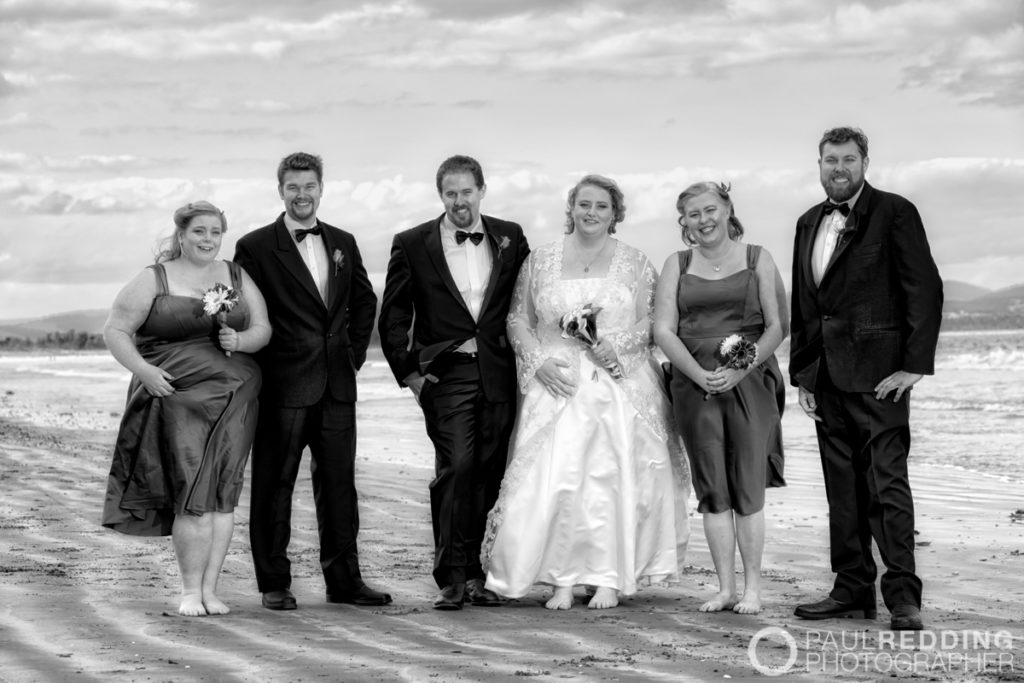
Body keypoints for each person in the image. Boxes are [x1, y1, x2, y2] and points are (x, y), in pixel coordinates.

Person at [483, 174, 689, 610]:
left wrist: (617, 347)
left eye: (601, 206)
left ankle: (610, 578)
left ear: (615, 214)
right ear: (571, 208)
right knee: (558, 480)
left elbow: (652, 322)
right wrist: (538, 362)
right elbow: (517, 319)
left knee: (612, 480)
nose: (591, 212)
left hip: (618, 382)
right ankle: (561, 578)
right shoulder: (540, 259)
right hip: (558, 382)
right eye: (584, 204)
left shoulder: (634, 261)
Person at [789, 127, 943, 631]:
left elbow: (924, 288)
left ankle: (903, 598)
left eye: (848, 159)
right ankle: (851, 589)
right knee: (843, 491)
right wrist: (804, 375)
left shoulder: (895, 211)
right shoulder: (808, 221)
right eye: (830, 159)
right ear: (818, 165)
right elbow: (806, 306)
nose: (839, 168)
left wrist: (915, 365)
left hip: (882, 379)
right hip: (828, 378)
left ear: (865, 162)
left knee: (886, 488)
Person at [234, 152, 390, 610]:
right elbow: (246, 310)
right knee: (273, 484)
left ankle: (345, 582)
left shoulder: (343, 240)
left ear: (322, 188)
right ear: (280, 190)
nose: (302, 195)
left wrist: (353, 354)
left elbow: (364, 301)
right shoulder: (256, 246)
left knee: (340, 485)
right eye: (292, 188)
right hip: (283, 384)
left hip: (338, 385)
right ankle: (274, 583)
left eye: (309, 187)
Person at [102, 200, 271, 616]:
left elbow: (263, 328)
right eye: (199, 231)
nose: (208, 240)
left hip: (235, 399)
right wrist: (144, 371)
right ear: (181, 235)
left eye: (215, 232)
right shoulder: (154, 278)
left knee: (223, 494)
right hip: (178, 399)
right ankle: (189, 591)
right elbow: (116, 330)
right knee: (194, 491)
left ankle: (212, 591)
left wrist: (242, 342)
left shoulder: (234, 274)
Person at [378, 155, 530, 610]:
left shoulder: (511, 236)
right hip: (446, 374)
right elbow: (394, 315)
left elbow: (528, 299)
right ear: (440, 195)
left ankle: (482, 574)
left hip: (500, 371)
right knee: (457, 467)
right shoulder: (412, 242)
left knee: (490, 472)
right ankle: (451, 575)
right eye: (450, 193)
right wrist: (410, 373)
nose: (459, 201)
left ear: (481, 189)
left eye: (467, 192)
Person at [653, 181, 787, 615]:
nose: (703, 220)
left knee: (747, 486)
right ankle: (725, 589)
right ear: (684, 223)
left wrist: (739, 369)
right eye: (693, 214)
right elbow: (663, 330)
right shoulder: (677, 264)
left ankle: (752, 590)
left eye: (710, 210)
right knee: (712, 488)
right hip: (694, 387)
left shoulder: (757, 258)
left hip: (749, 383)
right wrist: (698, 375)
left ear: (727, 209)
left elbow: (775, 327)